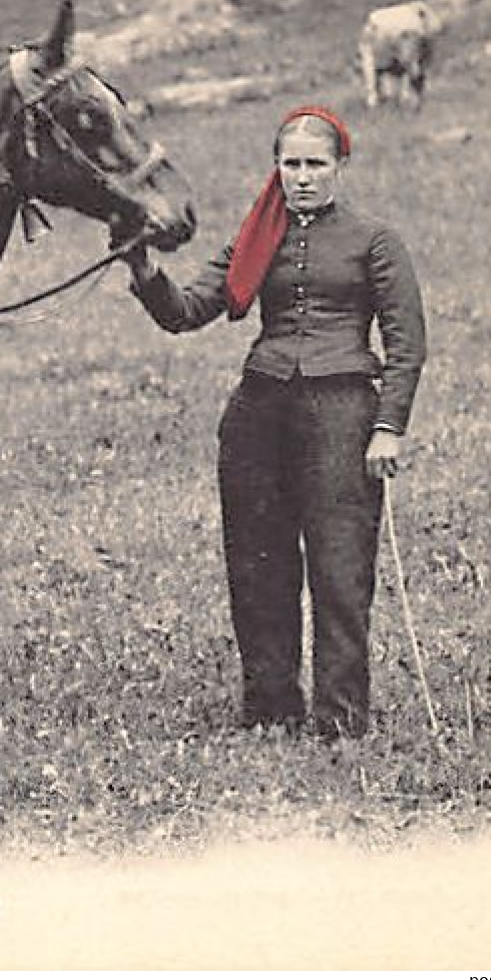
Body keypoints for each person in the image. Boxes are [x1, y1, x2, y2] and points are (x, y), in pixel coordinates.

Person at [124, 106, 427, 739]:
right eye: (292, 164)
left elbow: (406, 345)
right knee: (258, 565)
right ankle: (271, 710)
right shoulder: (256, 236)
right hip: (257, 414)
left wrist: (388, 427)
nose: (304, 177)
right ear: (277, 168)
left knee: (340, 569)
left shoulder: (375, 240)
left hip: (342, 414)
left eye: (317, 164)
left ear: (339, 167)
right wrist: (145, 271)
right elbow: (186, 311)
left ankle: (341, 719)